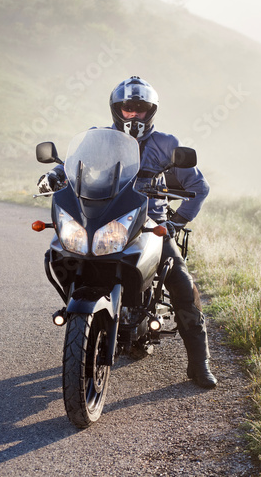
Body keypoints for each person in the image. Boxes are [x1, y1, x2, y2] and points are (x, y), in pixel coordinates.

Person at [38, 75, 217, 389]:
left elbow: (198, 187)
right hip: (109, 219)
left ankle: (199, 364)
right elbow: (70, 166)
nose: (133, 114)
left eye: (140, 109)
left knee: (181, 283)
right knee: (63, 251)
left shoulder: (167, 144)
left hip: (151, 226)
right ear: (115, 109)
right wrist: (53, 175)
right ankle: (87, 318)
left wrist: (175, 222)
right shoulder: (99, 137)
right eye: (127, 108)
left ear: (151, 111)